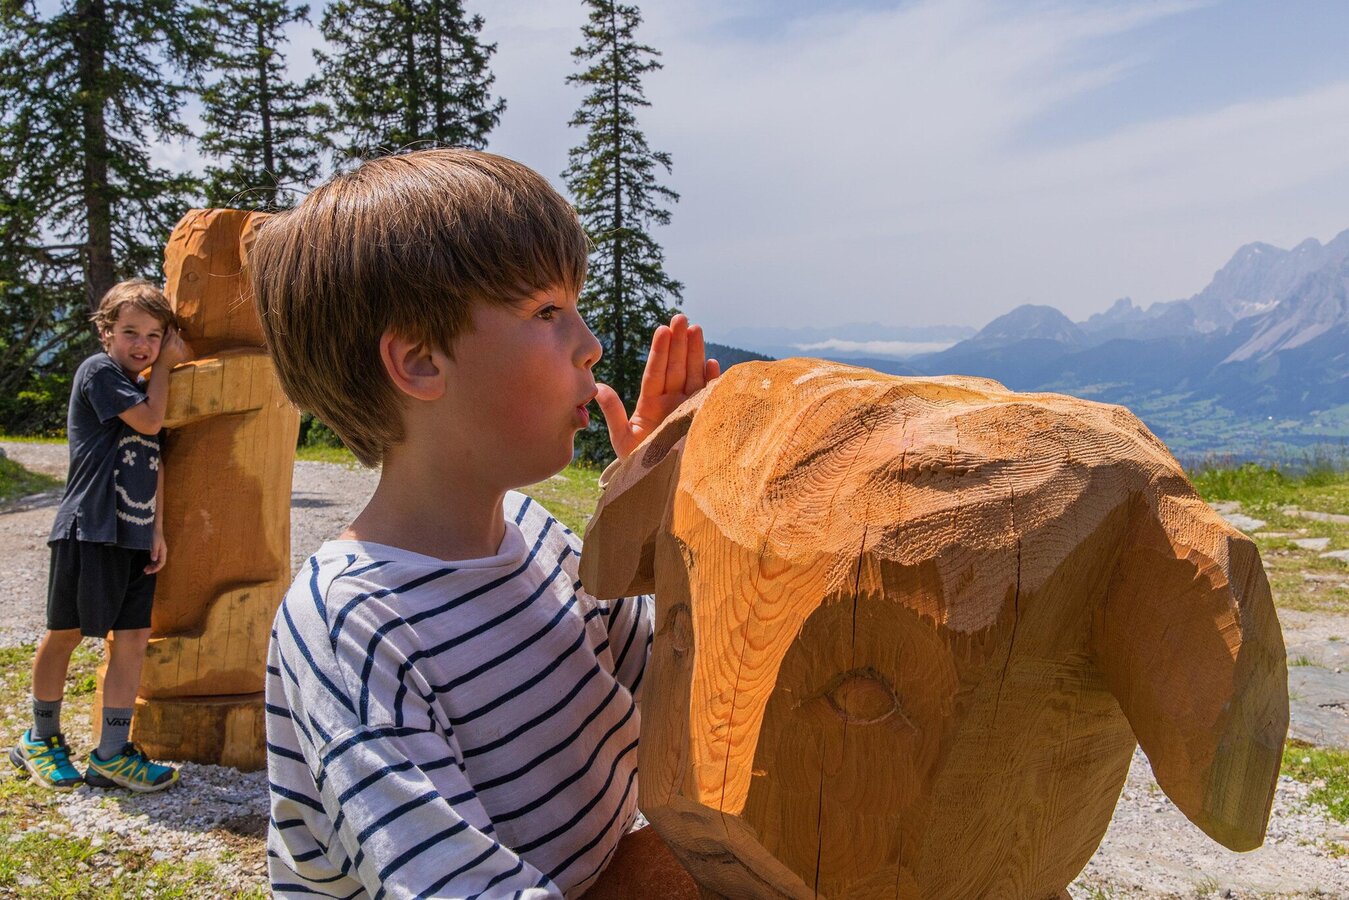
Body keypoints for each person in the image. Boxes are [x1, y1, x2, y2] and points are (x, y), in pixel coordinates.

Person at [253, 148, 718, 898]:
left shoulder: (537, 536)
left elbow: (681, 689)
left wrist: (659, 510)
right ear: (420, 362)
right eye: (547, 313)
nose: (590, 345)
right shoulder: (352, 624)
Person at [10, 279, 190, 793]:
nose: (143, 345)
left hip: (133, 536)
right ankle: (40, 738)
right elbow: (149, 424)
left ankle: (111, 753)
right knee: (65, 633)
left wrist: (157, 529)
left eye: (154, 336)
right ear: (105, 332)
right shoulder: (101, 372)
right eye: (131, 332)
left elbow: (154, 459)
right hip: (88, 529)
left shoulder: (145, 386)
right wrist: (166, 366)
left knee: (132, 640)